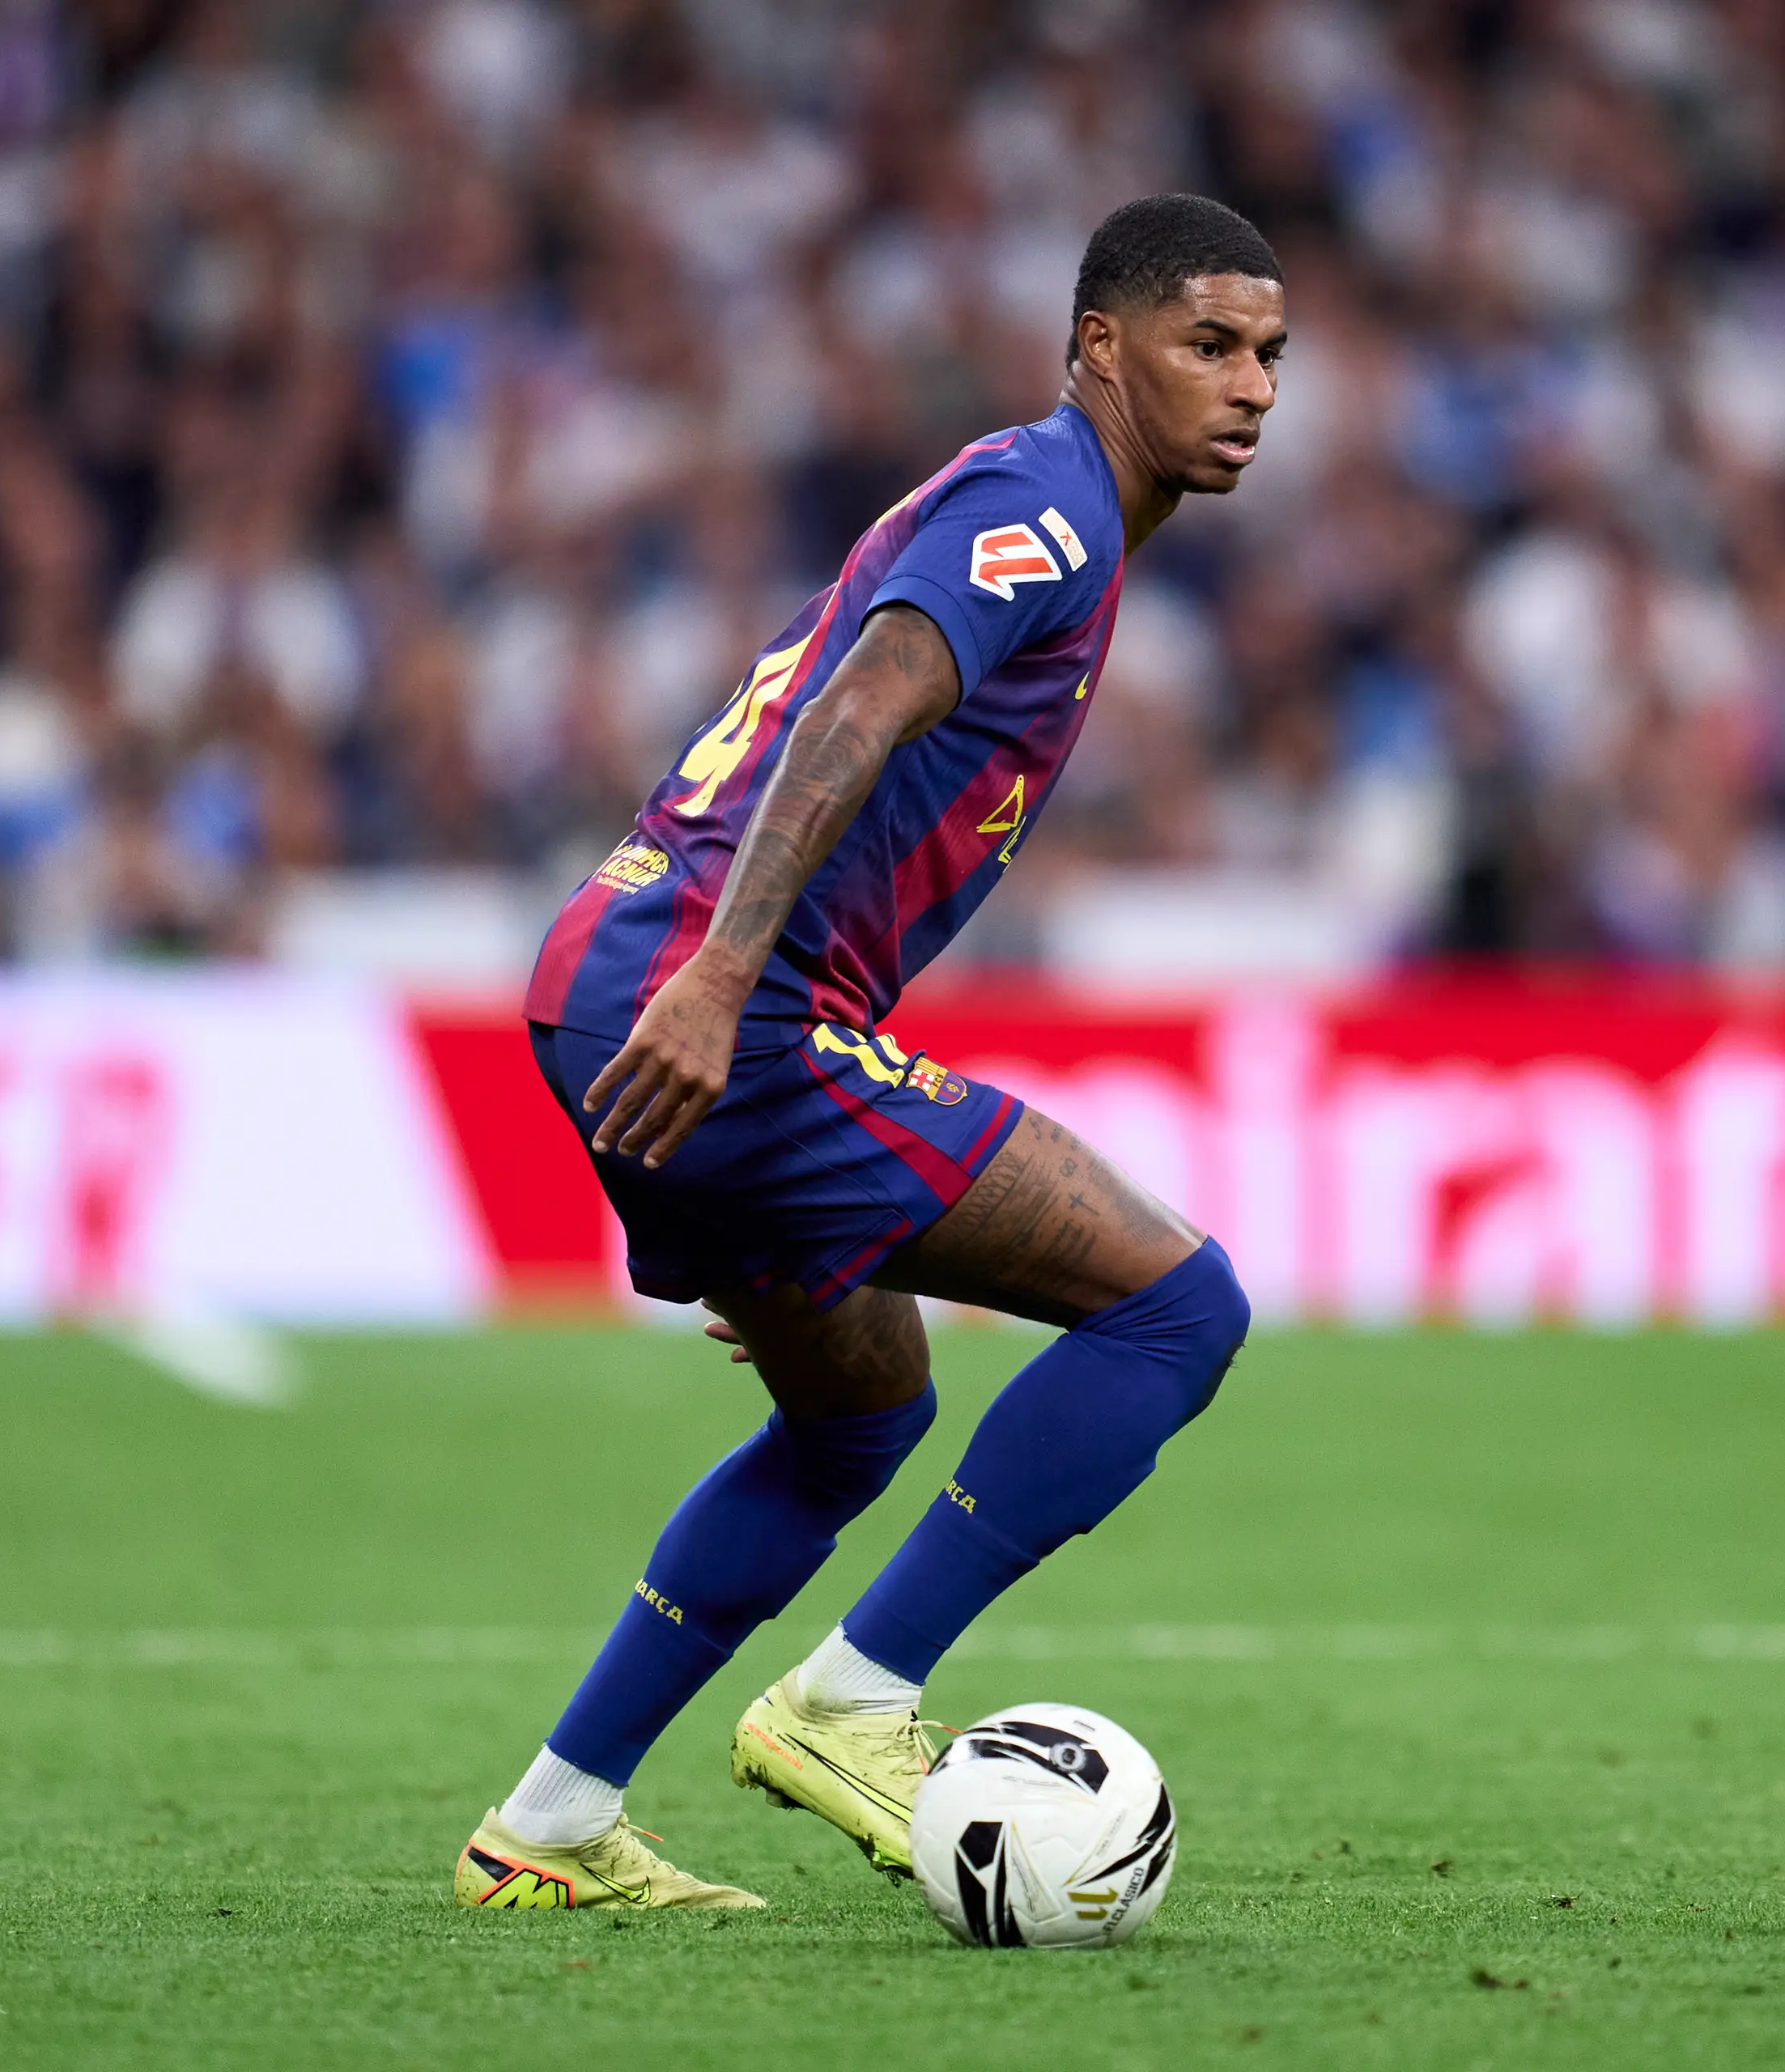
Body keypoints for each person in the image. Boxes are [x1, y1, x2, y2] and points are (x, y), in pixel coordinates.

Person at [453, 196, 1283, 1910]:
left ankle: (547, 1821)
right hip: (717, 1010)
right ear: (1100, 347)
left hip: (620, 985)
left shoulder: (1061, 520)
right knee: (1179, 1305)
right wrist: (724, 978)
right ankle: (858, 1693)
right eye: (1211, 343)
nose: (1253, 384)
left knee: (855, 1416)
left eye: (1271, 351)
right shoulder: (1044, 504)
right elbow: (853, 711)